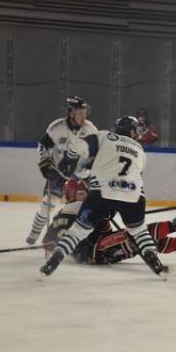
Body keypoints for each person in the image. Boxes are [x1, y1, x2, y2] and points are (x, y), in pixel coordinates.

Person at [40, 116, 167, 279]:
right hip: (134, 196)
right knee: (139, 232)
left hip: (102, 192)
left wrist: (68, 160)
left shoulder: (103, 135)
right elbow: (131, 172)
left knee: (78, 231)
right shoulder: (141, 151)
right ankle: (157, 267)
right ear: (131, 130)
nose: (137, 134)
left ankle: (53, 263)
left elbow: (79, 147)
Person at [42, 179, 176, 265]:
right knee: (134, 235)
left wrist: (57, 244)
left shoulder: (63, 212)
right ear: (71, 195)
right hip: (95, 251)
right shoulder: (80, 206)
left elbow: (46, 242)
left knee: (139, 242)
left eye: (85, 193)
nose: (85, 196)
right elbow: (106, 212)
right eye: (80, 193)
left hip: (94, 249)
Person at [25, 96, 97, 245]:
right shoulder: (57, 128)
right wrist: (45, 163)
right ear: (71, 113)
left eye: (85, 113)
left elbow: (97, 150)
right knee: (48, 205)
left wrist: (93, 165)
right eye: (80, 113)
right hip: (60, 174)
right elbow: (43, 147)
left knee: (91, 205)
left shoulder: (90, 129)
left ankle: (88, 237)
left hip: (83, 175)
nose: (84, 117)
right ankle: (35, 232)